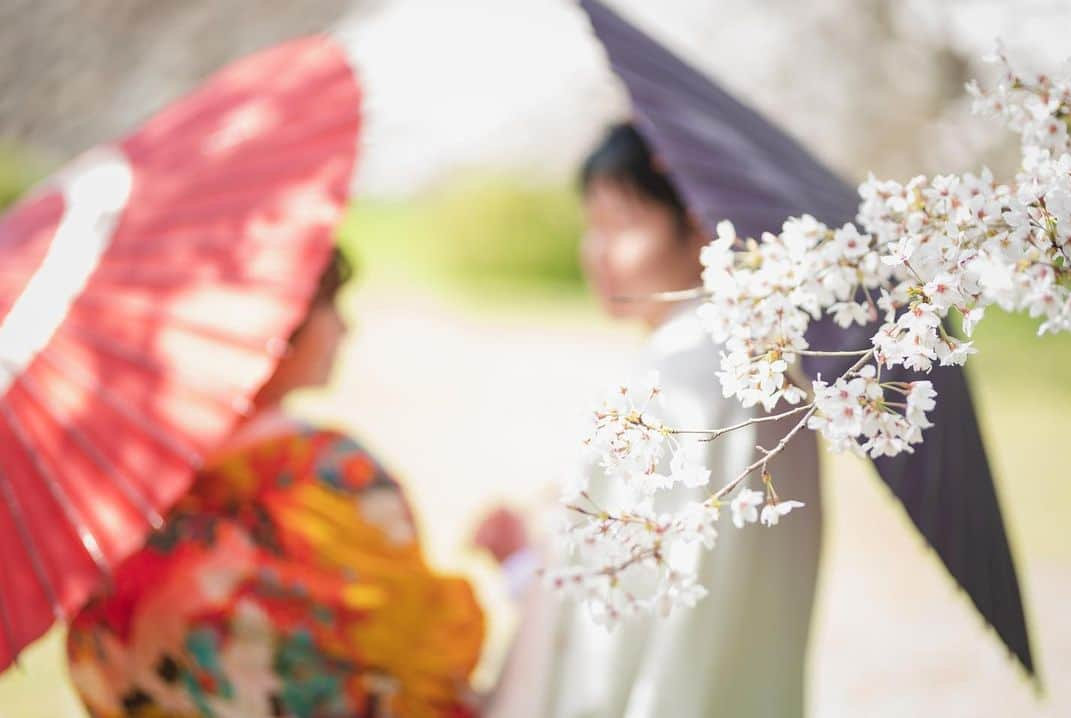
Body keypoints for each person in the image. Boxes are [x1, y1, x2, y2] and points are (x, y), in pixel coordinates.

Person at [489, 123, 823, 718]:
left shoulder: (687, 377)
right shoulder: (757, 361)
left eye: (621, 225)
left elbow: (619, 613)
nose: (596, 252)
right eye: (592, 225)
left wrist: (533, 558)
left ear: (698, 224)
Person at [66, 247, 485, 718]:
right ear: (285, 322)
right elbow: (422, 663)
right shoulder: (332, 474)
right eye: (330, 306)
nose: (346, 329)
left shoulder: (109, 499)